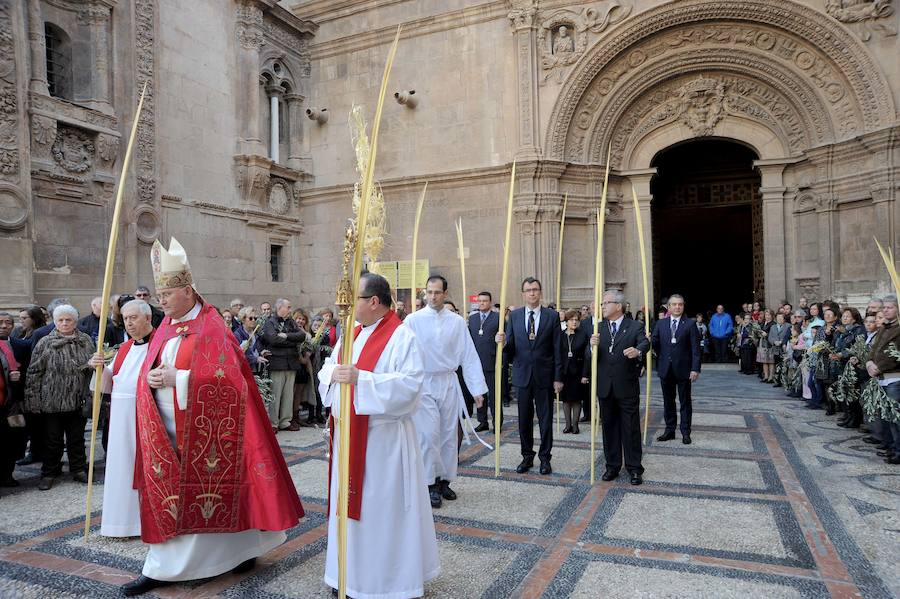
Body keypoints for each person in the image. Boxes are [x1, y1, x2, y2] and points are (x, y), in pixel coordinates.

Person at [123, 238, 303, 596]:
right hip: (167, 431)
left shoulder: (212, 328)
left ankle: (240, 550)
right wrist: (152, 378)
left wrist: (182, 379)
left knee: (218, 490)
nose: (161, 302)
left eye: (167, 295)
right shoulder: (165, 327)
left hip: (206, 429)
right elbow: (152, 367)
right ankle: (160, 565)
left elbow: (233, 382)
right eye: (159, 296)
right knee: (170, 494)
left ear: (188, 291)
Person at [317, 272, 439, 598]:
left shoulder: (402, 337)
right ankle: (348, 575)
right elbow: (327, 370)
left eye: (353, 298)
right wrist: (337, 375)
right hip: (348, 439)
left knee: (381, 515)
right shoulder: (350, 334)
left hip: (383, 443)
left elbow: (411, 387)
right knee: (349, 510)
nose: (345, 305)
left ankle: (386, 583)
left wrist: (361, 379)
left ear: (373, 301)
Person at [405, 276, 486, 508]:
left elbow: (468, 356)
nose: (432, 296)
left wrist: (477, 389)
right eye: (429, 292)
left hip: (449, 382)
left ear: (445, 293)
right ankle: (429, 482)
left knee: (449, 434)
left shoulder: (457, 322)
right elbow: (402, 352)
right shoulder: (412, 321)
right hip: (425, 383)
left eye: (437, 292)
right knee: (429, 434)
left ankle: (444, 480)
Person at [88, 300, 155, 537]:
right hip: (119, 418)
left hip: (146, 418)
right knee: (120, 468)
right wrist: (99, 368)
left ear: (147, 318)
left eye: (133, 318)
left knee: (143, 468)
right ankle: (120, 523)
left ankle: (144, 522)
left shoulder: (160, 345)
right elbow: (112, 381)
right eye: (125, 319)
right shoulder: (125, 348)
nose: (128, 323)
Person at [496, 278, 563, 475]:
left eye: (535, 290)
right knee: (524, 419)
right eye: (528, 290)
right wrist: (501, 341)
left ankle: (545, 458)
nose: (532, 293)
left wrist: (558, 377)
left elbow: (557, 348)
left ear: (540, 292)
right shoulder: (514, 316)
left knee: (545, 419)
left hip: (544, 375)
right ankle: (527, 456)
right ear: (523, 293)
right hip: (522, 375)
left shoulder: (551, 316)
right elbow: (510, 349)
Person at [24, 304, 95, 491]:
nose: (64, 323)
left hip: (77, 399)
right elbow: (34, 372)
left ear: (75, 321)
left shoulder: (85, 340)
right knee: (52, 440)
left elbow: (92, 369)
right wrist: (33, 401)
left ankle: (78, 469)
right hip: (52, 401)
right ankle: (49, 472)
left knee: (77, 438)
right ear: (55, 322)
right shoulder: (45, 342)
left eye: (68, 320)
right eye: (60, 320)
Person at [588, 289, 650, 485]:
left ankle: (634, 468)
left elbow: (645, 343)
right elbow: (590, 357)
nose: (602, 307)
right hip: (605, 387)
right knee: (609, 428)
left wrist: (638, 351)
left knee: (630, 428)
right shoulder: (598, 328)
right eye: (602, 304)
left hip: (626, 386)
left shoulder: (635, 326)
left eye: (606, 303)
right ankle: (612, 465)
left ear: (618, 305)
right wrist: (592, 346)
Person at [651, 294, 701, 445]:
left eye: (680, 304)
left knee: (685, 402)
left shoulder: (690, 324)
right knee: (668, 401)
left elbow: (695, 349)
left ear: (683, 306)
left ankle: (685, 432)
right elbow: (656, 344)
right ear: (669, 307)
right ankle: (670, 430)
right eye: (674, 304)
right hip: (666, 368)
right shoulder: (660, 324)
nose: (677, 307)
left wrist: (695, 369)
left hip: (684, 369)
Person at [260, 298, 307, 431]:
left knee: (288, 394)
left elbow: (301, 336)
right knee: (276, 393)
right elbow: (273, 339)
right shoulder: (270, 322)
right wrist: (292, 341)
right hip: (277, 363)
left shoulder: (291, 322)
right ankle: (274, 423)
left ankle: (285, 421)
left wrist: (286, 336)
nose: (291, 310)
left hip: (291, 363)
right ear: (280, 308)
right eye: (289, 307)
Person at [865, 296, 900, 464]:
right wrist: (869, 362)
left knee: (895, 417)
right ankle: (891, 446)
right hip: (881, 378)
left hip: (894, 378)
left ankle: (898, 450)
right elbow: (874, 349)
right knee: (886, 416)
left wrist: (879, 367)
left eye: (890, 307)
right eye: (884, 307)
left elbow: (894, 355)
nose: (886, 310)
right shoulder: (883, 328)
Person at [469, 291, 502, 433]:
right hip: (476, 363)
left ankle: (497, 423)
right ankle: (482, 421)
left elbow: (504, 340)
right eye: (479, 301)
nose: (481, 303)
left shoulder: (498, 318)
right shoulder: (473, 318)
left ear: (490, 302)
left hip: (492, 361)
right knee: (479, 393)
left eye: (484, 301)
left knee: (494, 395)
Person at [0, 312, 23, 489]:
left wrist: (16, 378)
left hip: (10, 403)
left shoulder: (16, 345)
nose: (4, 325)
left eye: (8, 322)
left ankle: (7, 475)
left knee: (11, 441)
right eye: (0, 322)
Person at [560, 310, 588, 434]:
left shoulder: (583, 335)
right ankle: (568, 425)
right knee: (566, 400)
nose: (574, 322)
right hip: (564, 372)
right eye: (572, 320)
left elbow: (587, 356)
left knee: (577, 399)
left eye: (577, 320)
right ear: (566, 321)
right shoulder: (560, 335)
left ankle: (575, 425)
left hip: (578, 372)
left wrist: (585, 374)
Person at [757, 309, 776, 382]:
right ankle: (766, 376)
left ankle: (771, 377)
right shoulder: (763, 323)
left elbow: (774, 335)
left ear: (772, 316)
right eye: (766, 315)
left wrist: (767, 334)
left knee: (771, 361)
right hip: (762, 343)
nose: (767, 316)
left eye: (769, 315)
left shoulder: (773, 324)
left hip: (769, 344)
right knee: (764, 361)